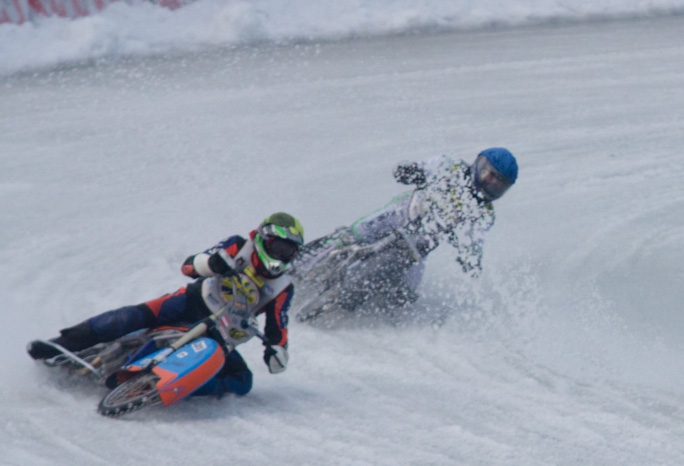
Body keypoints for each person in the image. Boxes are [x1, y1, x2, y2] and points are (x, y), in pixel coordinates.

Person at [27, 213, 305, 397]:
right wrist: (210, 264)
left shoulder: (283, 287)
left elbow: (278, 325)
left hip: (221, 334)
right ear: (263, 240)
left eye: (287, 251)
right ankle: (61, 343)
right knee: (127, 318)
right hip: (190, 303)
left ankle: (160, 385)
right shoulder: (237, 246)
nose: (280, 256)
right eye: (277, 247)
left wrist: (276, 349)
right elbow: (189, 265)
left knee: (242, 382)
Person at [291, 147, 518, 309]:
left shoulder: (483, 214)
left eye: (499, 185)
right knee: (351, 235)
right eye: (488, 175)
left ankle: (363, 309)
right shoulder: (449, 167)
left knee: (405, 296)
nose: (490, 184)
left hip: (417, 248)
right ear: (478, 164)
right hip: (397, 215)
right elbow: (420, 167)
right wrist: (410, 171)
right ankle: (297, 267)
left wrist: (471, 260)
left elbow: (474, 242)